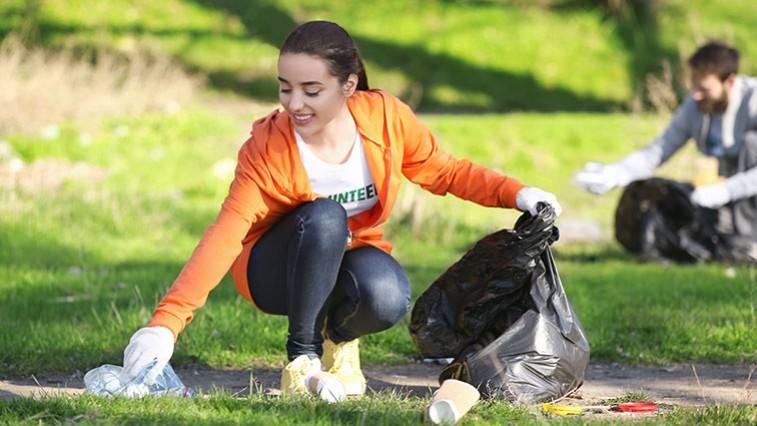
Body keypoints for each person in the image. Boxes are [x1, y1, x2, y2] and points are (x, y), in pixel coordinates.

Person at [119, 20, 562, 400]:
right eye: (285, 88)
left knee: (387, 295)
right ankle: (302, 358)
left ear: (348, 86)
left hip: (343, 260)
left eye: (312, 90)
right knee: (325, 215)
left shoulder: (385, 118)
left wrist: (518, 193)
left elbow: (443, 171)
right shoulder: (269, 149)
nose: (294, 104)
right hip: (273, 272)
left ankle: (339, 340)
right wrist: (165, 325)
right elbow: (226, 234)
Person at [574, 41, 757, 242]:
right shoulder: (696, 105)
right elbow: (660, 149)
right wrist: (619, 173)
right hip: (725, 191)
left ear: (729, 82)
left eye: (704, 88)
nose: (696, 94)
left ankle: (749, 242)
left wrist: (727, 190)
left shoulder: (753, 101)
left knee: (751, 143)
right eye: (693, 85)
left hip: (744, 190)